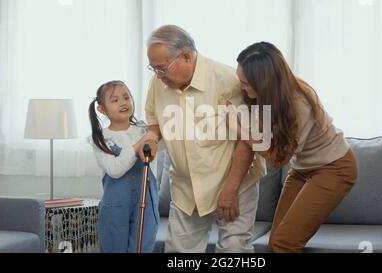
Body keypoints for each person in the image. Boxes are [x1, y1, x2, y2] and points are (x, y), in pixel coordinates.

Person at [141, 25, 266, 253]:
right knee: (179, 253)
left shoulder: (228, 80)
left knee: (233, 251)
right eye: (153, 68)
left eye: (161, 68)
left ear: (186, 57)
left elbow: (247, 141)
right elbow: (154, 121)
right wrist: (151, 136)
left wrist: (231, 189)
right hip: (186, 186)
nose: (158, 75)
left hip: (233, 182)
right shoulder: (158, 84)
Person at [234, 42, 358, 253]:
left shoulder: (298, 103)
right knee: (276, 243)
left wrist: (239, 131)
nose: (241, 87)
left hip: (334, 168)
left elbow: (277, 159)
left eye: (245, 83)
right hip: (301, 169)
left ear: (263, 82)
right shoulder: (268, 97)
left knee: (285, 243)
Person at [88, 80, 160, 253]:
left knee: (142, 245)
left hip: (147, 200)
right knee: (115, 247)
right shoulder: (101, 138)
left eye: (126, 97)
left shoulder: (145, 131)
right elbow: (115, 170)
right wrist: (136, 147)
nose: (123, 102)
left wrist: (151, 136)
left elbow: (162, 144)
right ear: (102, 109)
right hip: (115, 204)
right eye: (115, 100)